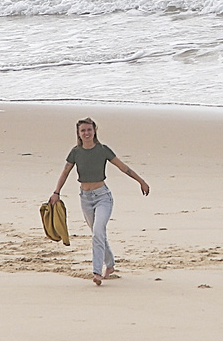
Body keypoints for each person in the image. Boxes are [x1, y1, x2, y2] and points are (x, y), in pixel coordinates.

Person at [49, 117, 149, 286]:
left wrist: (141, 181)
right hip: (85, 199)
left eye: (89, 129)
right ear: (79, 134)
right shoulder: (75, 152)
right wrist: (56, 192)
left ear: (95, 130)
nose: (86, 133)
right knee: (99, 234)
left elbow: (123, 167)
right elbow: (65, 172)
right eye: (83, 131)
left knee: (97, 232)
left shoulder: (103, 150)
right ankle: (110, 265)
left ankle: (97, 271)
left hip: (103, 197)